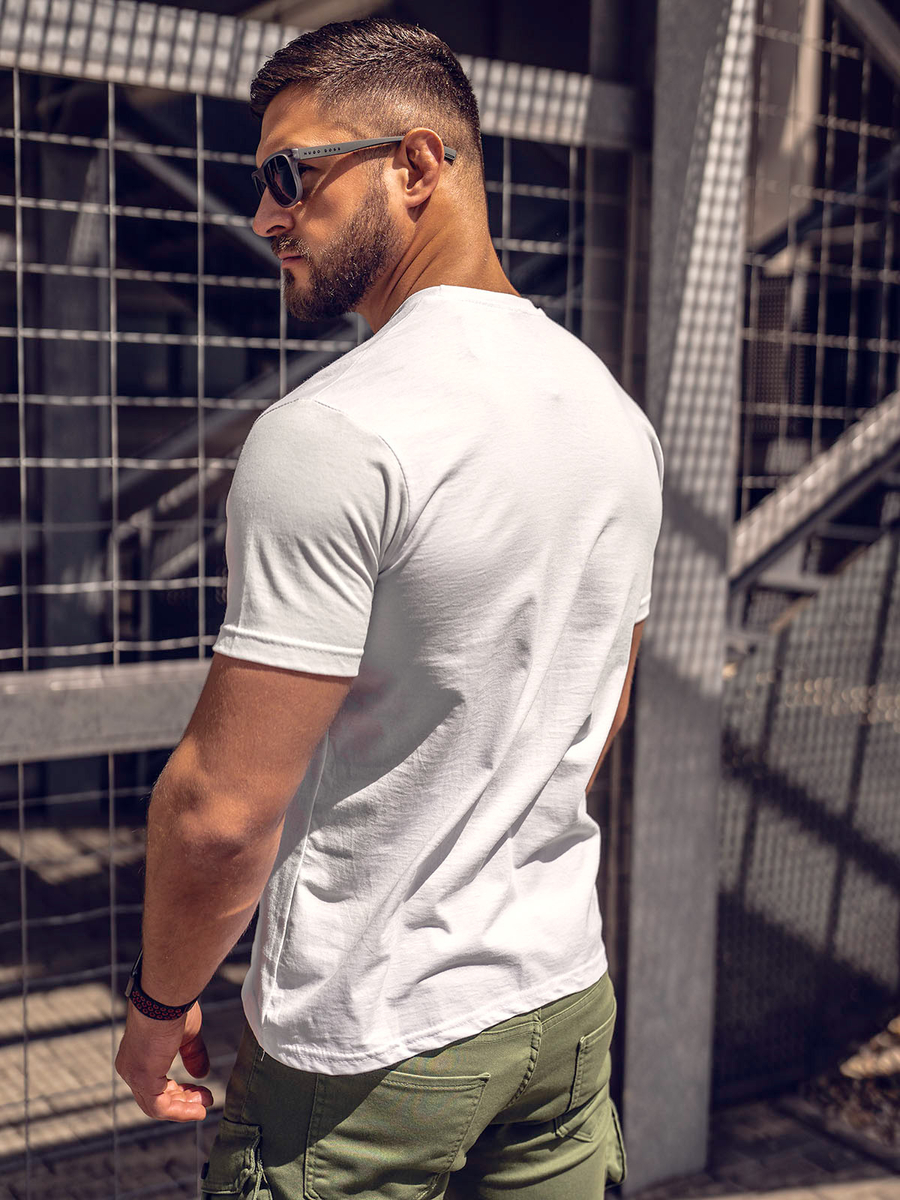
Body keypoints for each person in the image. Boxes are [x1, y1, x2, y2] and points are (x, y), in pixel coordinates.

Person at [114, 17, 664, 1199]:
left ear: (416, 165)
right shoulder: (612, 413)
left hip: (368, 1042)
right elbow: (597, 710)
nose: (264, 216)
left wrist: (160, 1005)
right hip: (562, 1003)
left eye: (290, 176)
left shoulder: (335, 431)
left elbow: (220, 813)